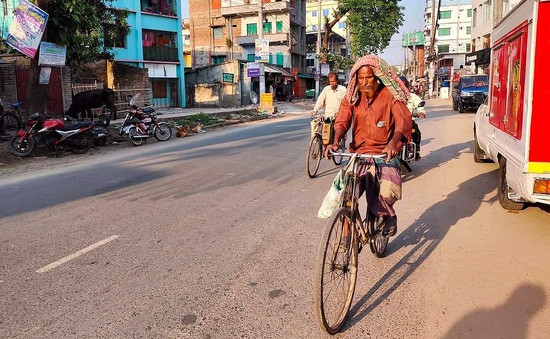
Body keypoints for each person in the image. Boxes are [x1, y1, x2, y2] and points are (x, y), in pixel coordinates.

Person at [324, 55, 412, 236]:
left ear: (377, 77)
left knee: (387, 191)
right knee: (346, 191)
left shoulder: (389, 95)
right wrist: (335, 141)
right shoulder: (353, 98)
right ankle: (347, 238)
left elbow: (403, 120)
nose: (364, 82)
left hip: (384, 155)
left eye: (369, 77)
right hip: (360, 155)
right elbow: (342, 121)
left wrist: (393, 143)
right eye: (361, 78)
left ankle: (388, 217)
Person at [310, 72, 347, 138]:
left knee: (337, 134)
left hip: (338, 117)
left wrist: (339, 113)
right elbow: (320, 100)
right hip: (328, 116)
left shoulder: (343, 90)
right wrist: (315, 110)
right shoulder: (326, 89)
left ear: (337, 81)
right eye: (330, 82)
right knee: (323, 134)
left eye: (334, 81)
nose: (332, 83)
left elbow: (345, 104)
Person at [399, 76, 425, 160]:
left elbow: (420, 106)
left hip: (409, 121)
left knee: (416, 132)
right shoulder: (393, 97)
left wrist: (421, 113)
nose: (403, 89)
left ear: (407, 87)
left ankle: (416, 151)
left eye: (404, 86)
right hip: (396, 122)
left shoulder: (413, 97)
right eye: (400, 86)